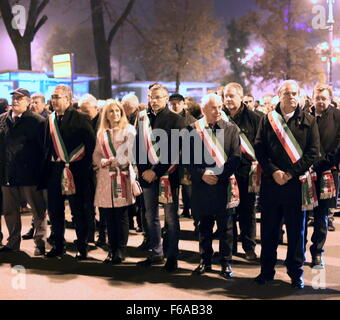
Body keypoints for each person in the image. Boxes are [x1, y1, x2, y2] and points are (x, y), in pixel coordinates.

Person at [254, 80, 320, 289]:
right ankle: (266, 271)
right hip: (271, 184)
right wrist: (274, 171)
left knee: (296, 232)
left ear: (299, 95)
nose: (291, 97)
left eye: (294, 93)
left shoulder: (309, 120)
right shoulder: (267, 120)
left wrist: (290, 173)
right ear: (279, 95)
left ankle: (295, 273)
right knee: (268, 231)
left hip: (295, 185)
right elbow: (259, 148)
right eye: (286, 93)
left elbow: (312, 152)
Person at [184, 93, 241, 278]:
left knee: (226, 228)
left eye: (219, 107)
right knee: (204, 226)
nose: (218, 111)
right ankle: (205, 260)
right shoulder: (193, 129)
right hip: (202, 186)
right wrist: (202, 174)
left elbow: (235, 157)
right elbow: (187, 159)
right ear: (204, 110)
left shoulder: (231, 129)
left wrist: (219, 175)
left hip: (223, 184)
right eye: (213, 108)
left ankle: (226, 263)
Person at [135, 84, 185, 272]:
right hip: (147, 176)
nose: (153, 100)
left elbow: (175, 150)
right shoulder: (142, 118)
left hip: (168, 176)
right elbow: (138, 147)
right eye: (150, 97)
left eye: (157, 97)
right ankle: (156, 253)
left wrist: (155, 171)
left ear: (166, 98)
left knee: (171, 218)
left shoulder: (175, 119)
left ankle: (172, 256)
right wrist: (143, 170)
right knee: (151, 216)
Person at [43, 84, 96, 259]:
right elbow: (47, 147)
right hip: (56, 170)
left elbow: (90, 146)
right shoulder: (49, 119)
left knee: (78, 210)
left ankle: (82, 245)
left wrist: (85, 170)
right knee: (55, 210)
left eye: (57, 96)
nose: (54, 100)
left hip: (77, 170)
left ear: (68, 98)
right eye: (52, 97)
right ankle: (58, 245)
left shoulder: (81, 117)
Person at [0, 88, 47, 255]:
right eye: (14, 98)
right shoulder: (3, 120)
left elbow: (43, 150)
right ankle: (13, 243)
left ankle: (40, 244)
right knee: (10, 211)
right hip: (8, 174)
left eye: (20, 98)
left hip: (30, 175)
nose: (16, 101)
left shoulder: (38, 121)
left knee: (37, 210)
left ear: (28, 102)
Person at [93, 99, 136, 264]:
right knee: (108, 216)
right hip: (105, 177)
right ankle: (111, 249)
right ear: (106, 114)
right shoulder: (101, 133)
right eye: (111, 111)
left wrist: (114, 160)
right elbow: (96, 153)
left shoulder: (129, 130)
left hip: (122, 175)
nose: (115, 114)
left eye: (118, 111)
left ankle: (121, 250)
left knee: (121, 215)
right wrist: (101, 161)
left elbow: (130, 153)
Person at [222, 83, 261, 261]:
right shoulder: (218, 116)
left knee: (247, 211)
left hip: (246, 172)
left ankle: (249, 247)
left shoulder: (255, 118)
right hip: (225, 172)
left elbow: (259, 146)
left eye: (231, 96)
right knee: (227, 211)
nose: (228, 99)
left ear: (241, 96)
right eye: (225, 96)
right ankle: (229, 248)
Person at [307, 83, 340, 268]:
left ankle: (317, 252)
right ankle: (298, 250)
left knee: (321, 215)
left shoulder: (338, 117)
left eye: (324, 98)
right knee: (301, 213)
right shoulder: (304, 115)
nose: (320, 101)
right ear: (312, 98)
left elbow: (338, 147)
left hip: (327, 172)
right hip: (304, 172)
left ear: (330, 99)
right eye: (317, 98)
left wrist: (320, 164)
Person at [22, 93, 50, 241]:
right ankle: (35, 228)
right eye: (31, 102)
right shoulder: (31, 120)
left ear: (44, 104)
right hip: (33, 169)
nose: (33, 105)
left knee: (45, 204)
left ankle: (46, 235)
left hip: (44, 168)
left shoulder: (46, 120)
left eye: (36, 102)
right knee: (36, 205)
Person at [169, 93, 196, 220]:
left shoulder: (191, 121)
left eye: (177, 103)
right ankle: (175, 212)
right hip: (171, 160)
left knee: (188, 188)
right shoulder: (167, 118)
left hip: (186, 159)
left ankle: (188, 209)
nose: (175, 106)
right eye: (172, 104)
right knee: (173, 189)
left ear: (183, 103)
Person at [121, 93, 144, 233]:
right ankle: (130, 221)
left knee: (139, 194)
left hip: (137, 160)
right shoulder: (125, 118)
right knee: (127, 192)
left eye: (126, 107)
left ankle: (140, 223)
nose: (124, 109)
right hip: (126, 158)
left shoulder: (140, 118)